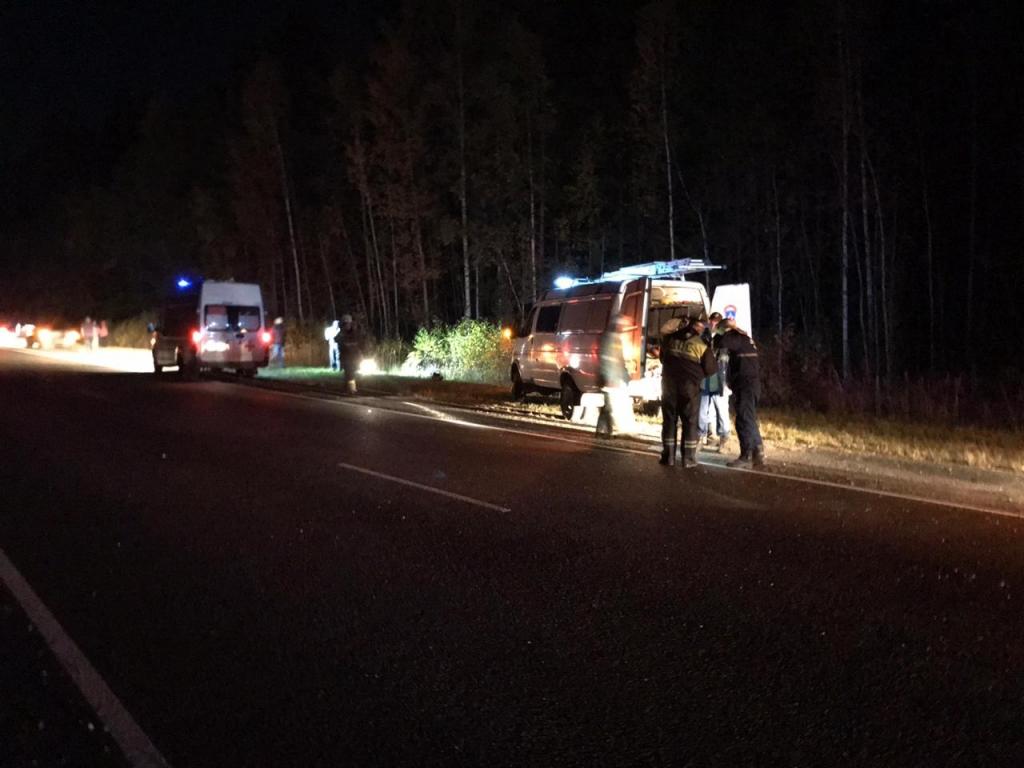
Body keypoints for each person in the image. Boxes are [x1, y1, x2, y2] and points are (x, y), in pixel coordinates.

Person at [659, 315, 717, 468]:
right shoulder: (701, 345)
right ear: (697, 328)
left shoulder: (671, 339)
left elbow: (662, 358)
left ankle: (668, 457)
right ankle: (688, 459)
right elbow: (711, 369)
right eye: (702, 327)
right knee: (690, 421)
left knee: (669, 420)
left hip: (669, 385)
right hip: (690, 387)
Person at [715, 317, 765, 467]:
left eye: (720, 329)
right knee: (749, 418)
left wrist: (719, 333)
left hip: (745, 385)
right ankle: (758, 452)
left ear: (725, 329)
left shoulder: (734, 337)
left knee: (743, 420)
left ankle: (746, 455)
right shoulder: (744, 338)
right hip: (750, 384)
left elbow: (720, 343)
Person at [596, 313, 636, 437]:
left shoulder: (612, 337)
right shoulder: (610, 339)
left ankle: (603, 431)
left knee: (608, 406)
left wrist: (625, 376)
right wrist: (610, 377)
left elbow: (618, 360)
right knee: (611, 406)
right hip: (610, 378)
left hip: (612, 377)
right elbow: (610, 359)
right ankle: (606, 431)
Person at [698, 312, 732, 453]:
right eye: (712, 321)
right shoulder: (704, 335)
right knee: (703, 409)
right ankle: (701, 436)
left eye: (717, 322)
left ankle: (724, 439)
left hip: (719, 377)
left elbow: (725, 361)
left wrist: (726, 381)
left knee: (722, 409)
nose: (714, 323)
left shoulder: (724, 338)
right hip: (705, 377)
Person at [336, 314, 363, 394]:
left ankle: (349, 388)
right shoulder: (341, 334)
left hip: (354, 356)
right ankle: (350, 389)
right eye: (345, 324)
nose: (347, 326)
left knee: (351, 373)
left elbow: (360, 341)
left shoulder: (355, 333)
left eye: (348, 324)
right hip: (346, 357)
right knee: (349, 373)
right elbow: (337, 340)